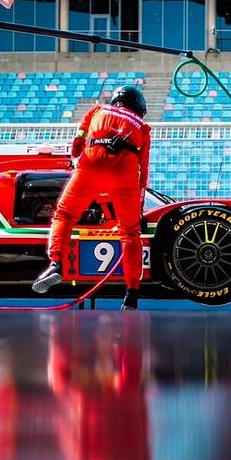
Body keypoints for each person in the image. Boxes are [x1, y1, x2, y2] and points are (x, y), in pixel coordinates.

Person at [32, 85, 151, 310]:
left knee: (65, 214)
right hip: (125, 169)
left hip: (92, 161)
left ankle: (56, 263)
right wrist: (139, 208)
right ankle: (132, 295)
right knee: (130, 233)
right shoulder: (142, 127)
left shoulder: (97, 110)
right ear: (138, 107)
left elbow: (77, 143)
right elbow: (143, 172)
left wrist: (78, 159)